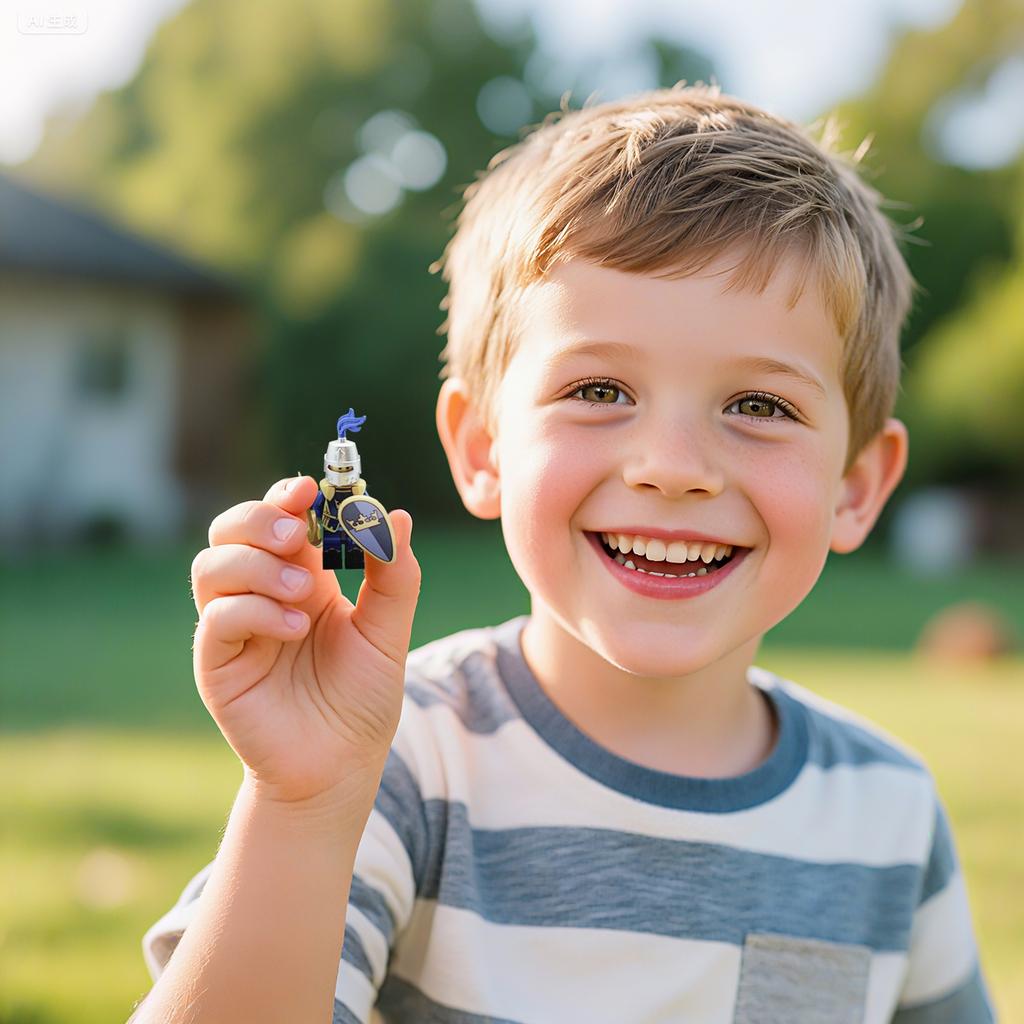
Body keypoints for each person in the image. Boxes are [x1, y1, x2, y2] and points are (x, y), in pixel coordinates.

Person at [130, 83, 998, 1023]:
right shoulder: (399, 764)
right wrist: (301, 804)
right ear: (482, 449)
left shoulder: (889, 816)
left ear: (857, 486)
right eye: (598, 388)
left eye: (760, 406)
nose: (673, 468)